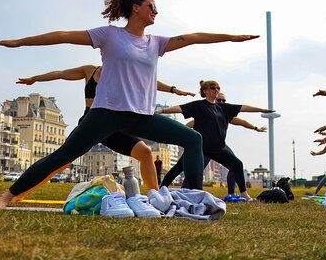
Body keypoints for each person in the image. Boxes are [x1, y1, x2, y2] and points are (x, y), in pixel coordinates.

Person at [0, 0, 258, 209]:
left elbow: (192, 37)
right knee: (64, 155)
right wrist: (19, 42)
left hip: (141, 116)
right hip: (106, 114)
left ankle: (194, 200)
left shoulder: (157, 43)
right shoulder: (109, 35)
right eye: (151, 6)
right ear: (135, 8)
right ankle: (6, 197)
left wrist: (231, 38)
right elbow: (63, 36)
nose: (155, 11)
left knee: (193, 138)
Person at [15, 65, 193, 193]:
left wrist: (173, 89)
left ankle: (155, 197)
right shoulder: (89, 70)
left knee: (145, 152)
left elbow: (149, 82)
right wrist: (35, 79)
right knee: (63, 160)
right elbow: (61, 73)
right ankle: (20, 192)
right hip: (91, 122)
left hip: (113, 123)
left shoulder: (123, 74)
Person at [158, 80, 272, 202]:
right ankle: (159, 191)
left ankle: (245, 195)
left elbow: (243, 108)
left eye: (218, 88)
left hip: (218, 148)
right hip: (199, 147)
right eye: (213, 88)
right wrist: (162, 111)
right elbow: (180, 108)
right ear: (205, 91)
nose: (216, 90)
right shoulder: (198, 106)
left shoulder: (223, 108)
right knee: (177, 169)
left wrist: (262, 110)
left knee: (237, 164)